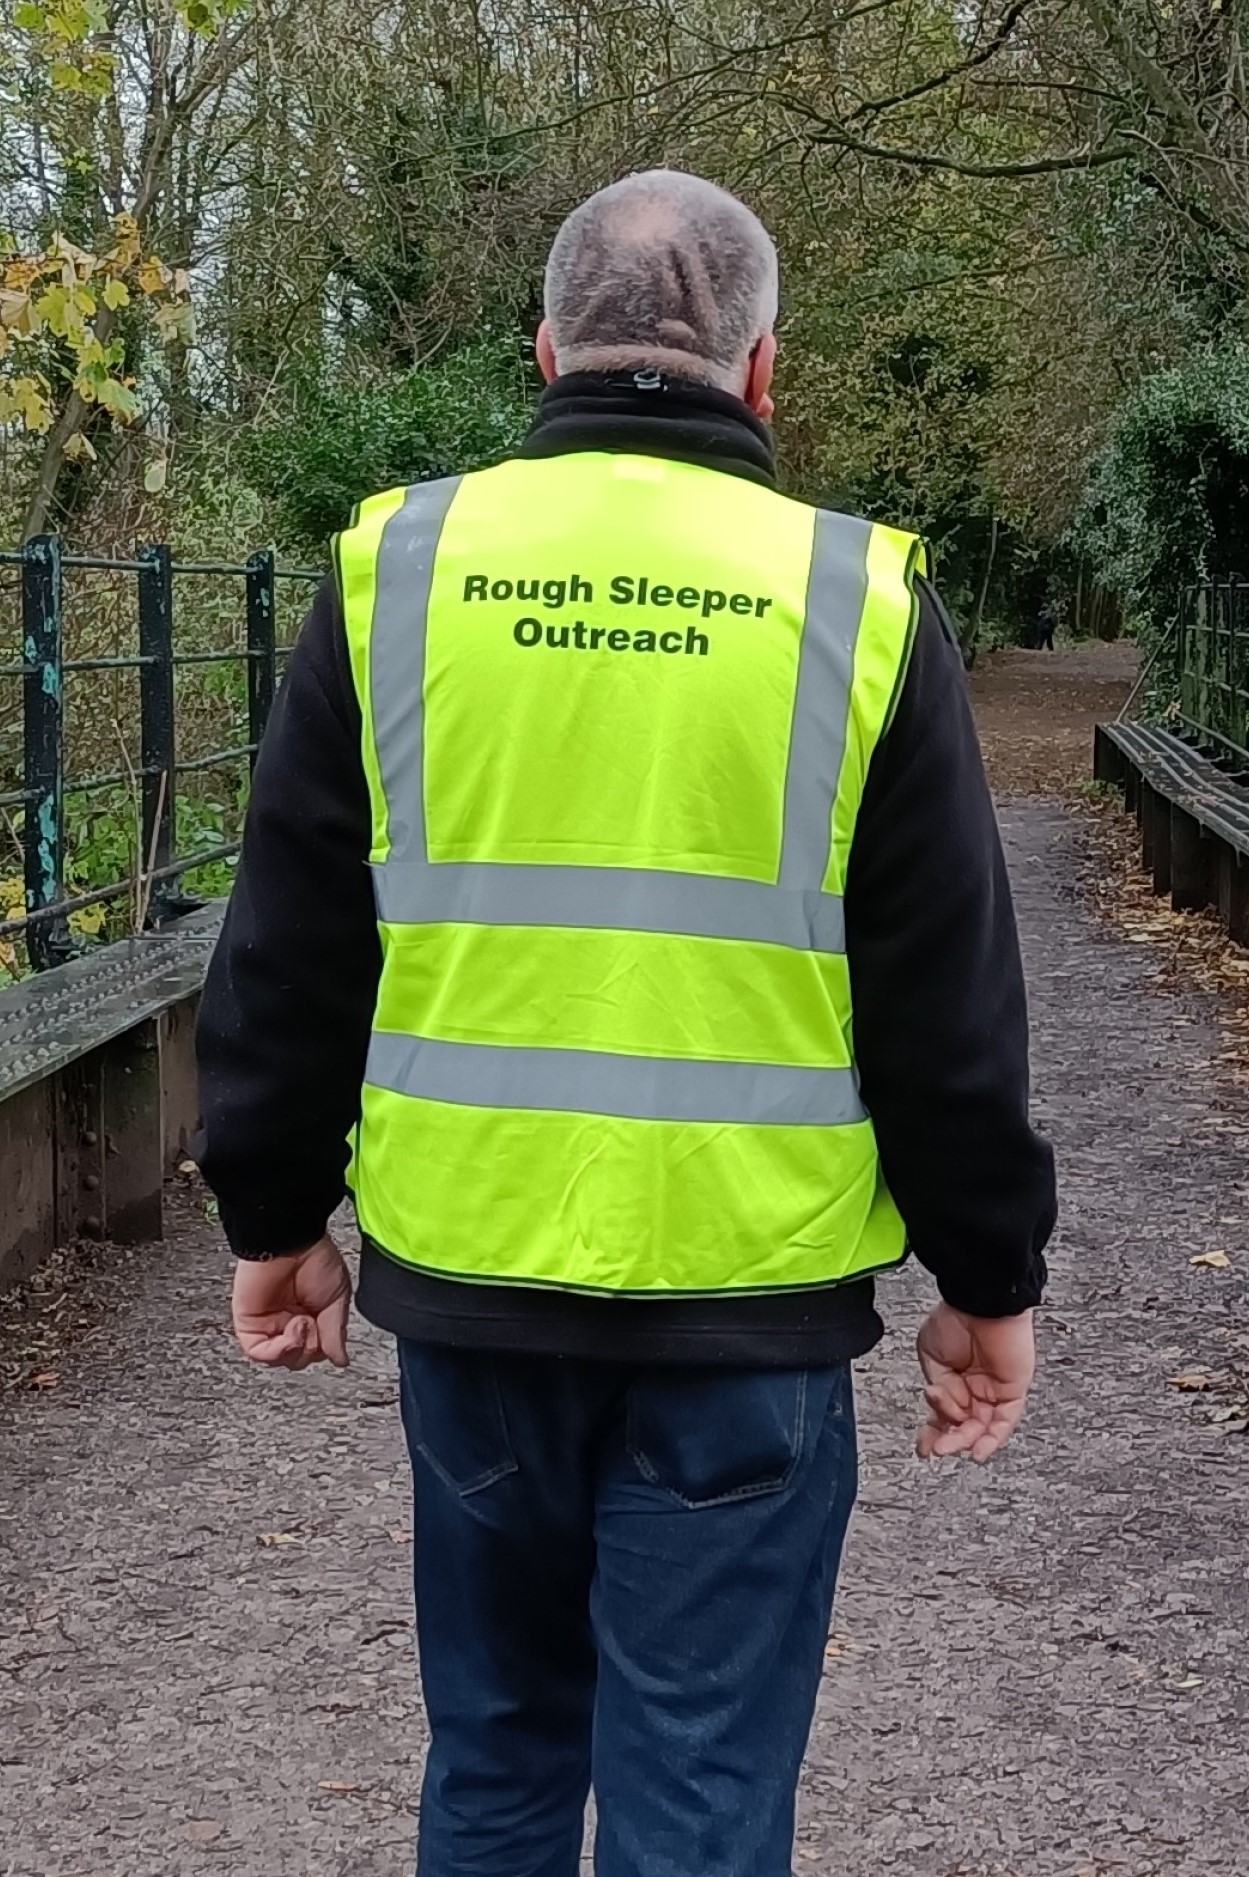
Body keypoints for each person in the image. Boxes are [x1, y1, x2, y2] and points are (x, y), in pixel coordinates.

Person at [196, 170, 1056, 1877]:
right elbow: (945, 997)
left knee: (501, 1758)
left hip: (478, 1286)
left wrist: (274, 1218)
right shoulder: (855, 599)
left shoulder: (399, 573)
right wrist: (986, 1280)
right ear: (759, 374)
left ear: (545, 352)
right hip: (750, 1307)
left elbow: (291, 940)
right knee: (703, 1796)